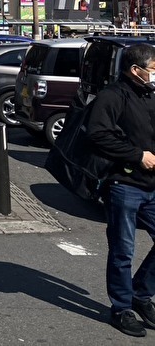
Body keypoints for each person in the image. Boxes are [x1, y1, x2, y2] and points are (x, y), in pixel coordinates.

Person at [86, 43, 155, 337]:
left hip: (152, 184)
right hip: (123, 184)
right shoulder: (112, 96)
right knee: (123, 250)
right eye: (153, 68)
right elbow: (97, 135)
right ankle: (121, 308)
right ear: (135, 70)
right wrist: (137, 155)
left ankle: (141, 293)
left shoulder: (150, 94)